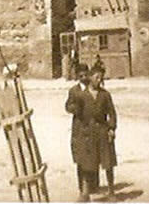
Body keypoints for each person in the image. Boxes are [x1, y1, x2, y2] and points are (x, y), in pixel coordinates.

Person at [72, 65, 117, 202]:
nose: (99, 80)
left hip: (103, 132)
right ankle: (85, 193)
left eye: (101, 77)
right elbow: (77, 116)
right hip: (87, 134)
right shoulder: (82, 96)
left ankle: (111, 191)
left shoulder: (105, 95)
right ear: (90, 77)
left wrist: (111, 128)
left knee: (108, 163)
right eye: (97, 77)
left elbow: (112, 113)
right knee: (87, 163)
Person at [65, 63, 90, 199]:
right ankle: (82, 188)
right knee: (80, 157)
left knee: (92, 156)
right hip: (79, 127)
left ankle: (92, 185)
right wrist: (74, 108)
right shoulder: (73, 91)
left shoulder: (93, 88)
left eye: (86, 74)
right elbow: (67, 106)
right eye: (81, 75)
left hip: (91, 127)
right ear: (77, 76)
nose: (84, 77)